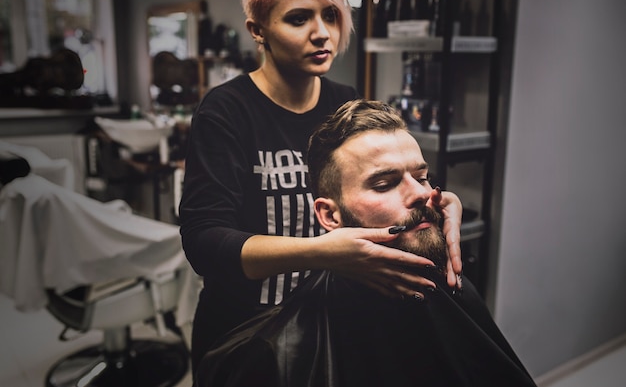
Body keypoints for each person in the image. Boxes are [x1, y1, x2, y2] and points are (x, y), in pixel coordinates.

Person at [179, 0, 464, 376]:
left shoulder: (345, 104)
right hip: (248, 334)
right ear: (258, 30)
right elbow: (204, 242)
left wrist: (433, 202)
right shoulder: (227, 111)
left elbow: (381, 194)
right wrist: (324, 252)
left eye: (331, 16)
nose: (322, 33)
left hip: (331, 319)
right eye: (298, 19)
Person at [195, 99, 538, 387]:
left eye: (422, 177)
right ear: (329, 217)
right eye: (384, 184)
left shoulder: (449, 290)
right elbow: (204, 238)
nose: (422, 194)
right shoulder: (270, 356)